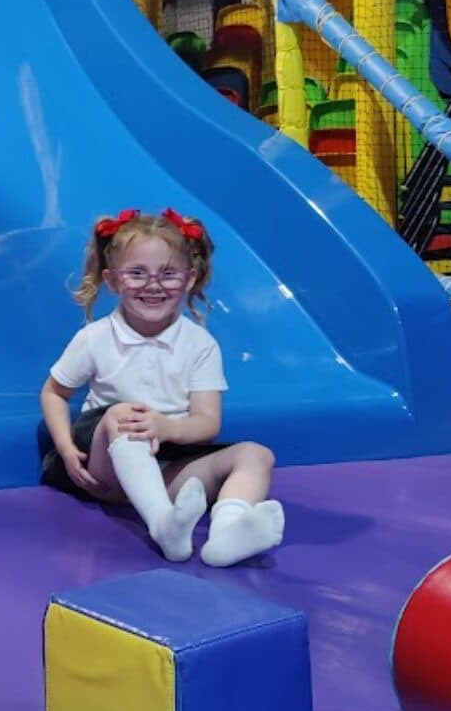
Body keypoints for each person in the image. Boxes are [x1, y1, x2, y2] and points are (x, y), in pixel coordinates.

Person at [39, 207, 285, 566]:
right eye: (137, 274)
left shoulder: (199, 344)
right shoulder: (95, 338)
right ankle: (162, 524)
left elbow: (206, 422)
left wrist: (167, 427)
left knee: (256, 455)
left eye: (168, 274)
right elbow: (54, 392)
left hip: (164, 463)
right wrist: (64, 447)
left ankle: (227, 534)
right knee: (126, 415)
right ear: (113, 280)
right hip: (105, 466)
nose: (153, 285)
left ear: (189, 279)